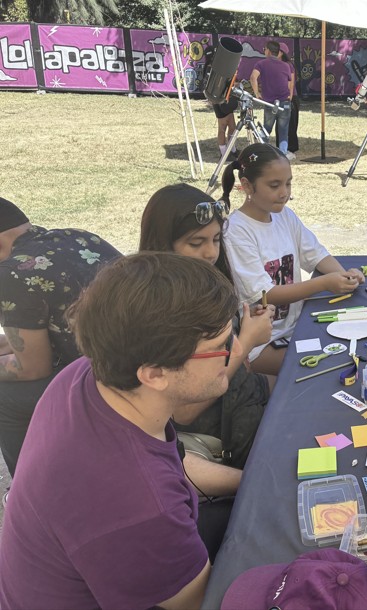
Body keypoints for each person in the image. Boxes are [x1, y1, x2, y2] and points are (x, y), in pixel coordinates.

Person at [0, 253, 245, 608]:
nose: (238, 349)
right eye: (221, 346)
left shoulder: (87, 375)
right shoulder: (141, 505)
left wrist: (249, 481)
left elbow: (170, 465)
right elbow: (202, 603)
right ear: (154, 374)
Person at [139, 184, 274, 468]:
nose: (211, 252)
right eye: (196, 243)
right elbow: (184, 412)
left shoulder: (205, 285)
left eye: (216, 239)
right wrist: (246, 341)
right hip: (226, 438)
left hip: (245, 399)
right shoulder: (161, 311)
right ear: (163, 244)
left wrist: (243, 327)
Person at [221, 143, 366, 376]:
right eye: (274, 185)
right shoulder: (236, 232)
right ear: (247, 185)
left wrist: (344, 275)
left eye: (288, 183)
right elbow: (265, 294)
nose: (284, 193)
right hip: (259, 345)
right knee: (331, 366)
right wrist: (325, 283)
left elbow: (316, 254)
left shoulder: (285, 216)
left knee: (349, 352)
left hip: (295, 328)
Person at [0, 197, 120, 477]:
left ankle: (28, 489)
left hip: (110, 379)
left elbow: (32, 367)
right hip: (137, 356)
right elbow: (38, 336)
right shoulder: (76, 236)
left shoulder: (11, 273)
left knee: (5, 397)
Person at [250, 40, 295, 161]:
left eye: (264, 49)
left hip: (270, 103)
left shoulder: (261, 64)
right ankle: (283, 156)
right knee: (283, 131)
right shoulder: (286, 66)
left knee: (266, 129)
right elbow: (289, 83)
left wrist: (257, 93)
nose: (264, 51)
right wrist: (289, 96)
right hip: (285, 102)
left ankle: (262, 154)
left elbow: (253, 77)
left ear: (269, 51)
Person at [203, 44, 240, 161]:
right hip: (222, 100)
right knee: (225, 127)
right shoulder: (215, 68)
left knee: (230, 126)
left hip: (218, 100)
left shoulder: (209, 68)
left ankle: (231, 150)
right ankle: (225, 153)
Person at [277, 42, 299, 155]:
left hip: (289, 97)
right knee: (281, 124)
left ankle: (290, 148)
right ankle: (281, 147)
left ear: (281, 53)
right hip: (280, 97)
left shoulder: (288, 65)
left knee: (289, 124)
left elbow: (290, 83)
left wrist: (287, 97)